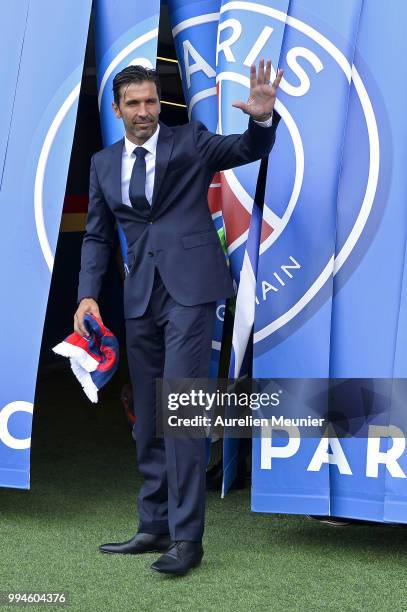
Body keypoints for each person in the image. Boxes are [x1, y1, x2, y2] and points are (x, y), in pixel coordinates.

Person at [74, 60, 282, 575]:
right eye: (135, 104)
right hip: (138, 296)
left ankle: (188, 539)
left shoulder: (191, 139)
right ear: (117, 109)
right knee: (147, 411)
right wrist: (86, 297)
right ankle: (154, 525)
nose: (145, 112)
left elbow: (246, 150)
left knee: (181, 408)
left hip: (191, 291)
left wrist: (260, 121)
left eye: (151, 102)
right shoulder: (102, 164)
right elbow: (99, 235)